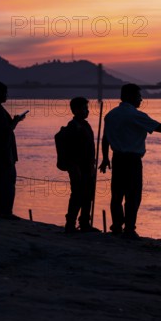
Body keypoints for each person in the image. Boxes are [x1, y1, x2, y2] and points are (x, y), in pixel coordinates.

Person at [99, 83, 161, 239]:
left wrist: (105, 158)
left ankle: (117, 226)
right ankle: (129, 229)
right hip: (132, 161)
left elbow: (105, 139)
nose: (141, 99)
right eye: (139, 96)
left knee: (117, 195)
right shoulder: (136, 115)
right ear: (130, 96)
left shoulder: (110, 115)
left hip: (117, 159)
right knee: (133, 196)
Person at [0, 81, 26, 219]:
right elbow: (3, 132)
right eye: (4, 92)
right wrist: (15, 122)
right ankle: (5, 212)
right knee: (7, 183)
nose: (6, 95)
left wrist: (13, 122)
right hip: (3, 153)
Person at [62, 97, 101, 233]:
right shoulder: (73, 126)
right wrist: (74, 167)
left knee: (88, 195)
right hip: (78, 167)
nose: (87, 111)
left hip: (88, 166)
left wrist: (93, 165)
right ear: (75, 110)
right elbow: (70, 150)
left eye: (87, 108)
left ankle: (84, 222)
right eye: (84, 108)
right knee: (77, 195)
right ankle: (70, 223)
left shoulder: (85, 125)